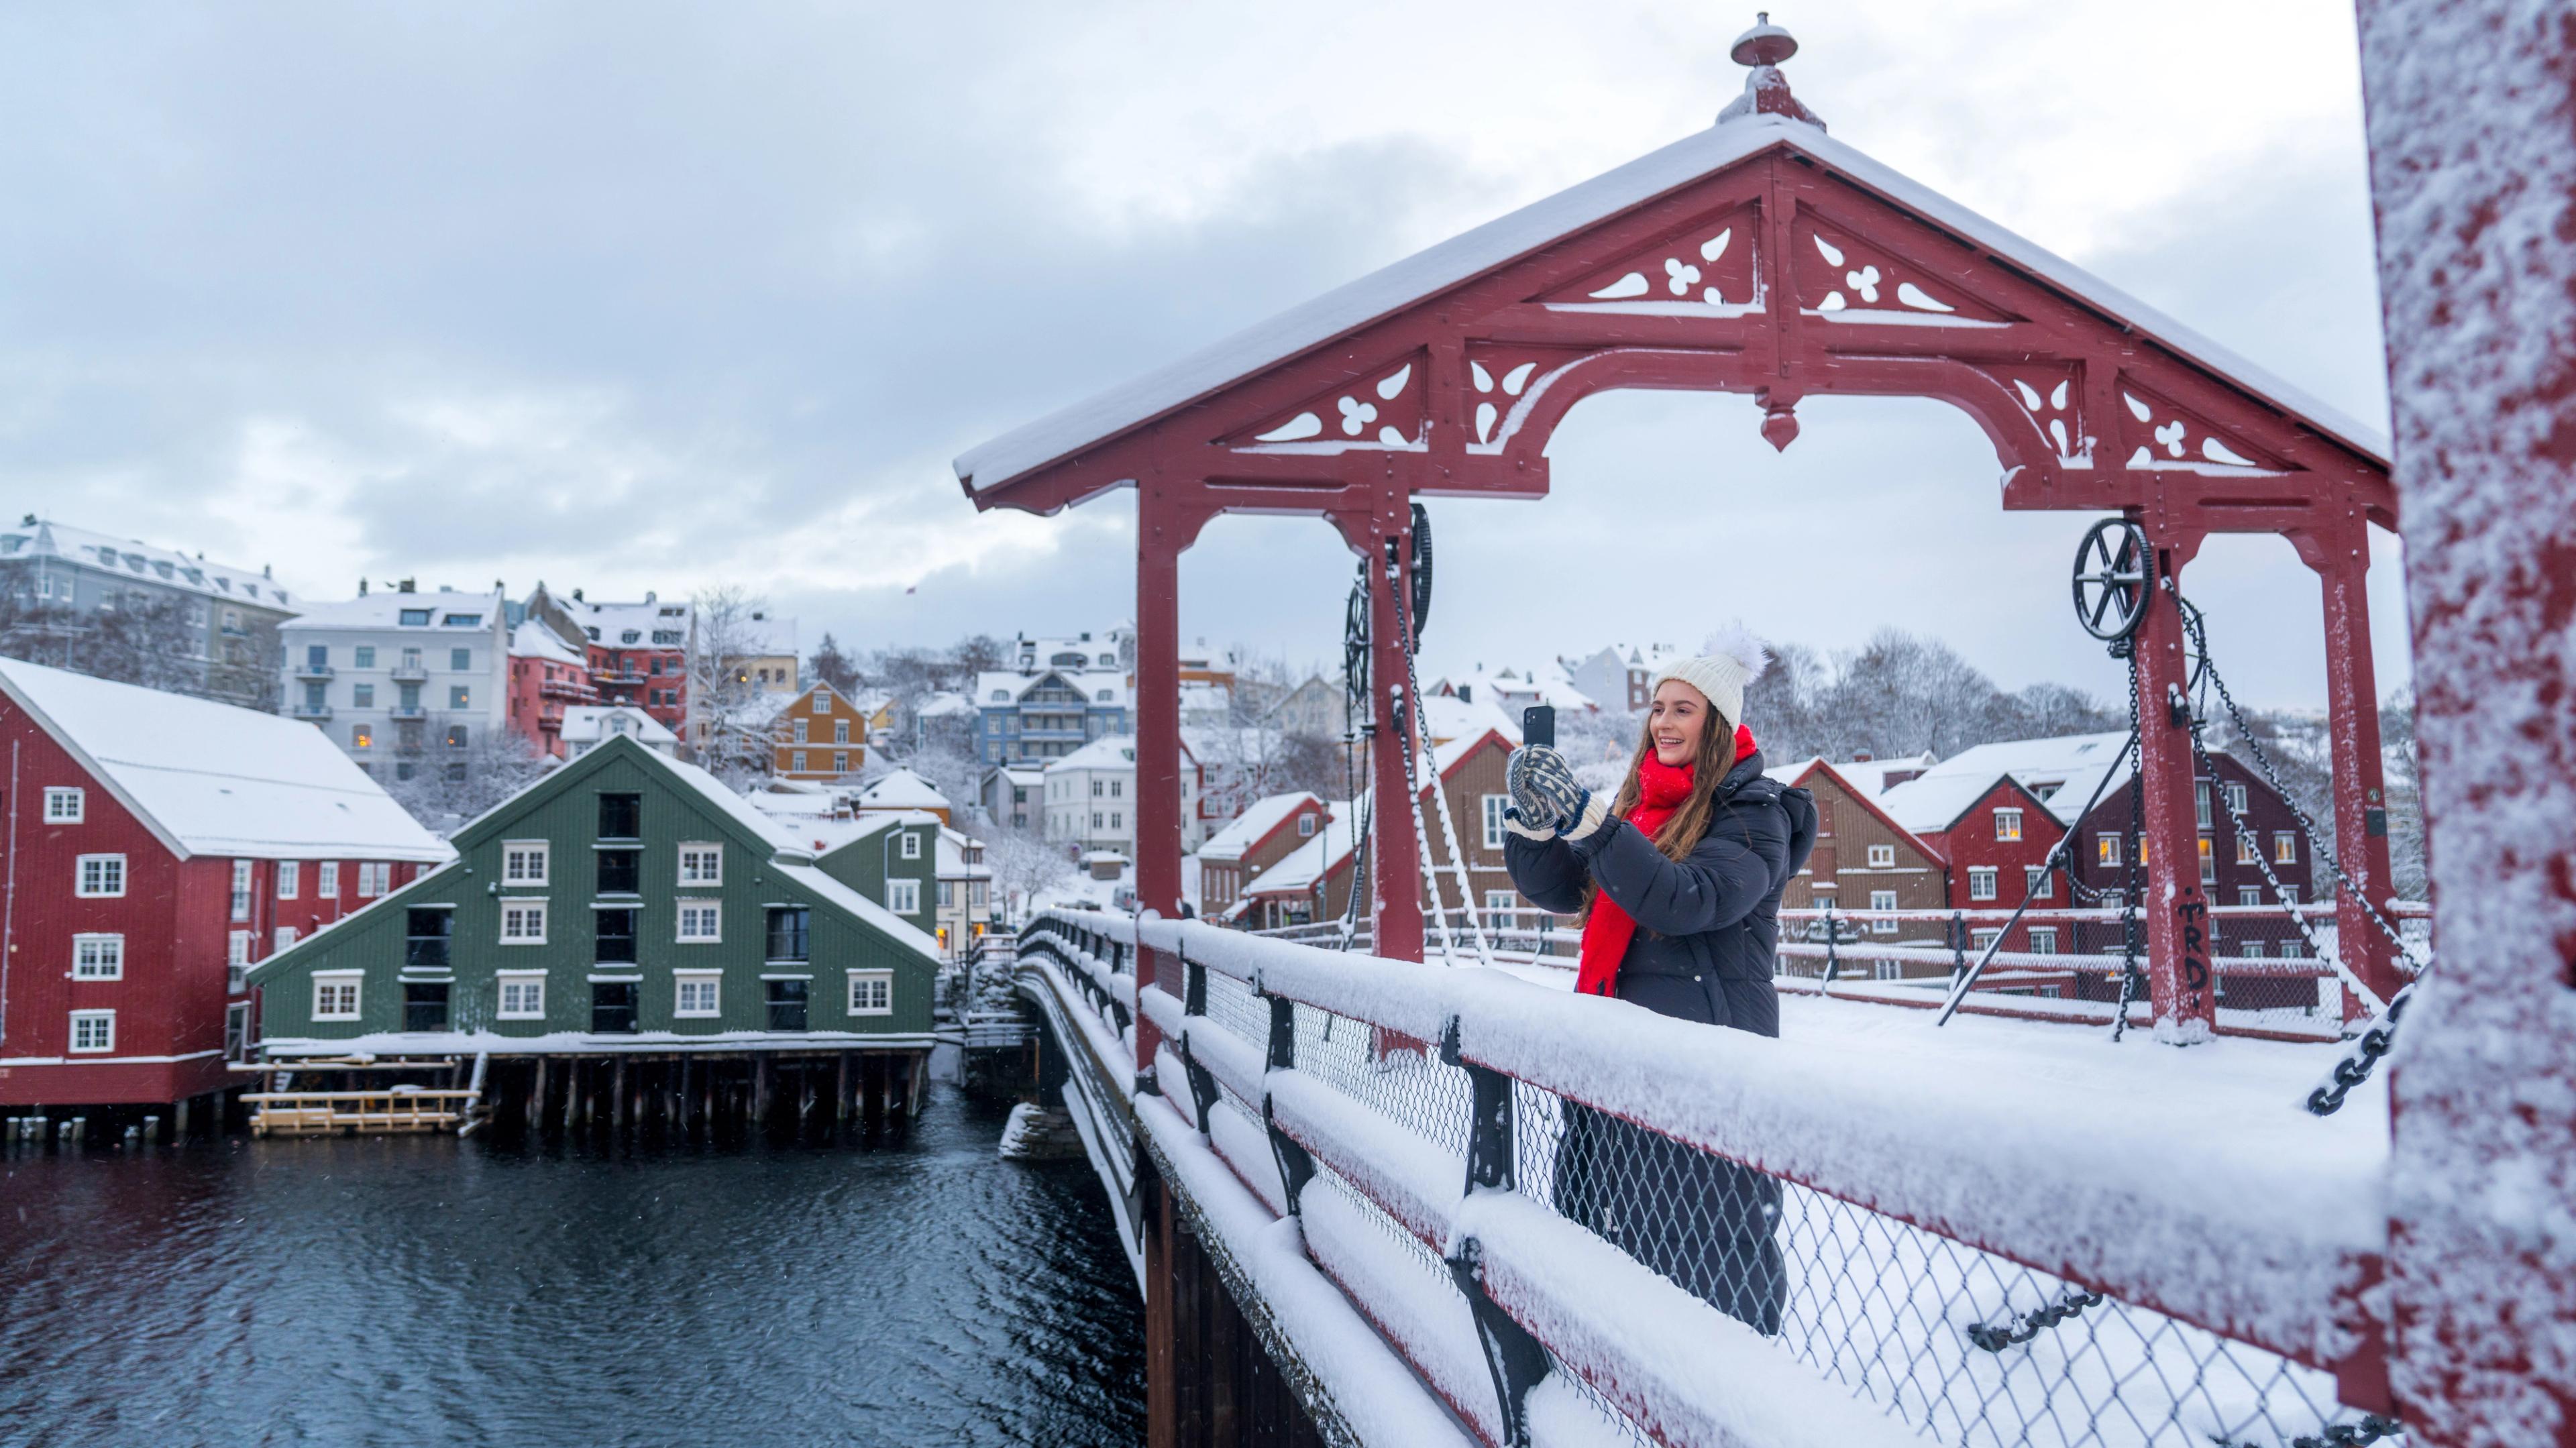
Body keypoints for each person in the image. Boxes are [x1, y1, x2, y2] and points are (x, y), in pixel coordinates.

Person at [1501, 626, 1816, 1333]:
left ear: (1718, 725)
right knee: (1611, 1233)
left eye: (1684, 708)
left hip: (1705, 1064)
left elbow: (1686, 899)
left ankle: (1735, 1392)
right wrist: (1535, 823)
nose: (1663, 722)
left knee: (1709, 1246)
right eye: (1658, 707)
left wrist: (1593, 825)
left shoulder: (1753, 815)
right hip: (1617, 1058)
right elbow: (1567, 888)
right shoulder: (1637, 807)